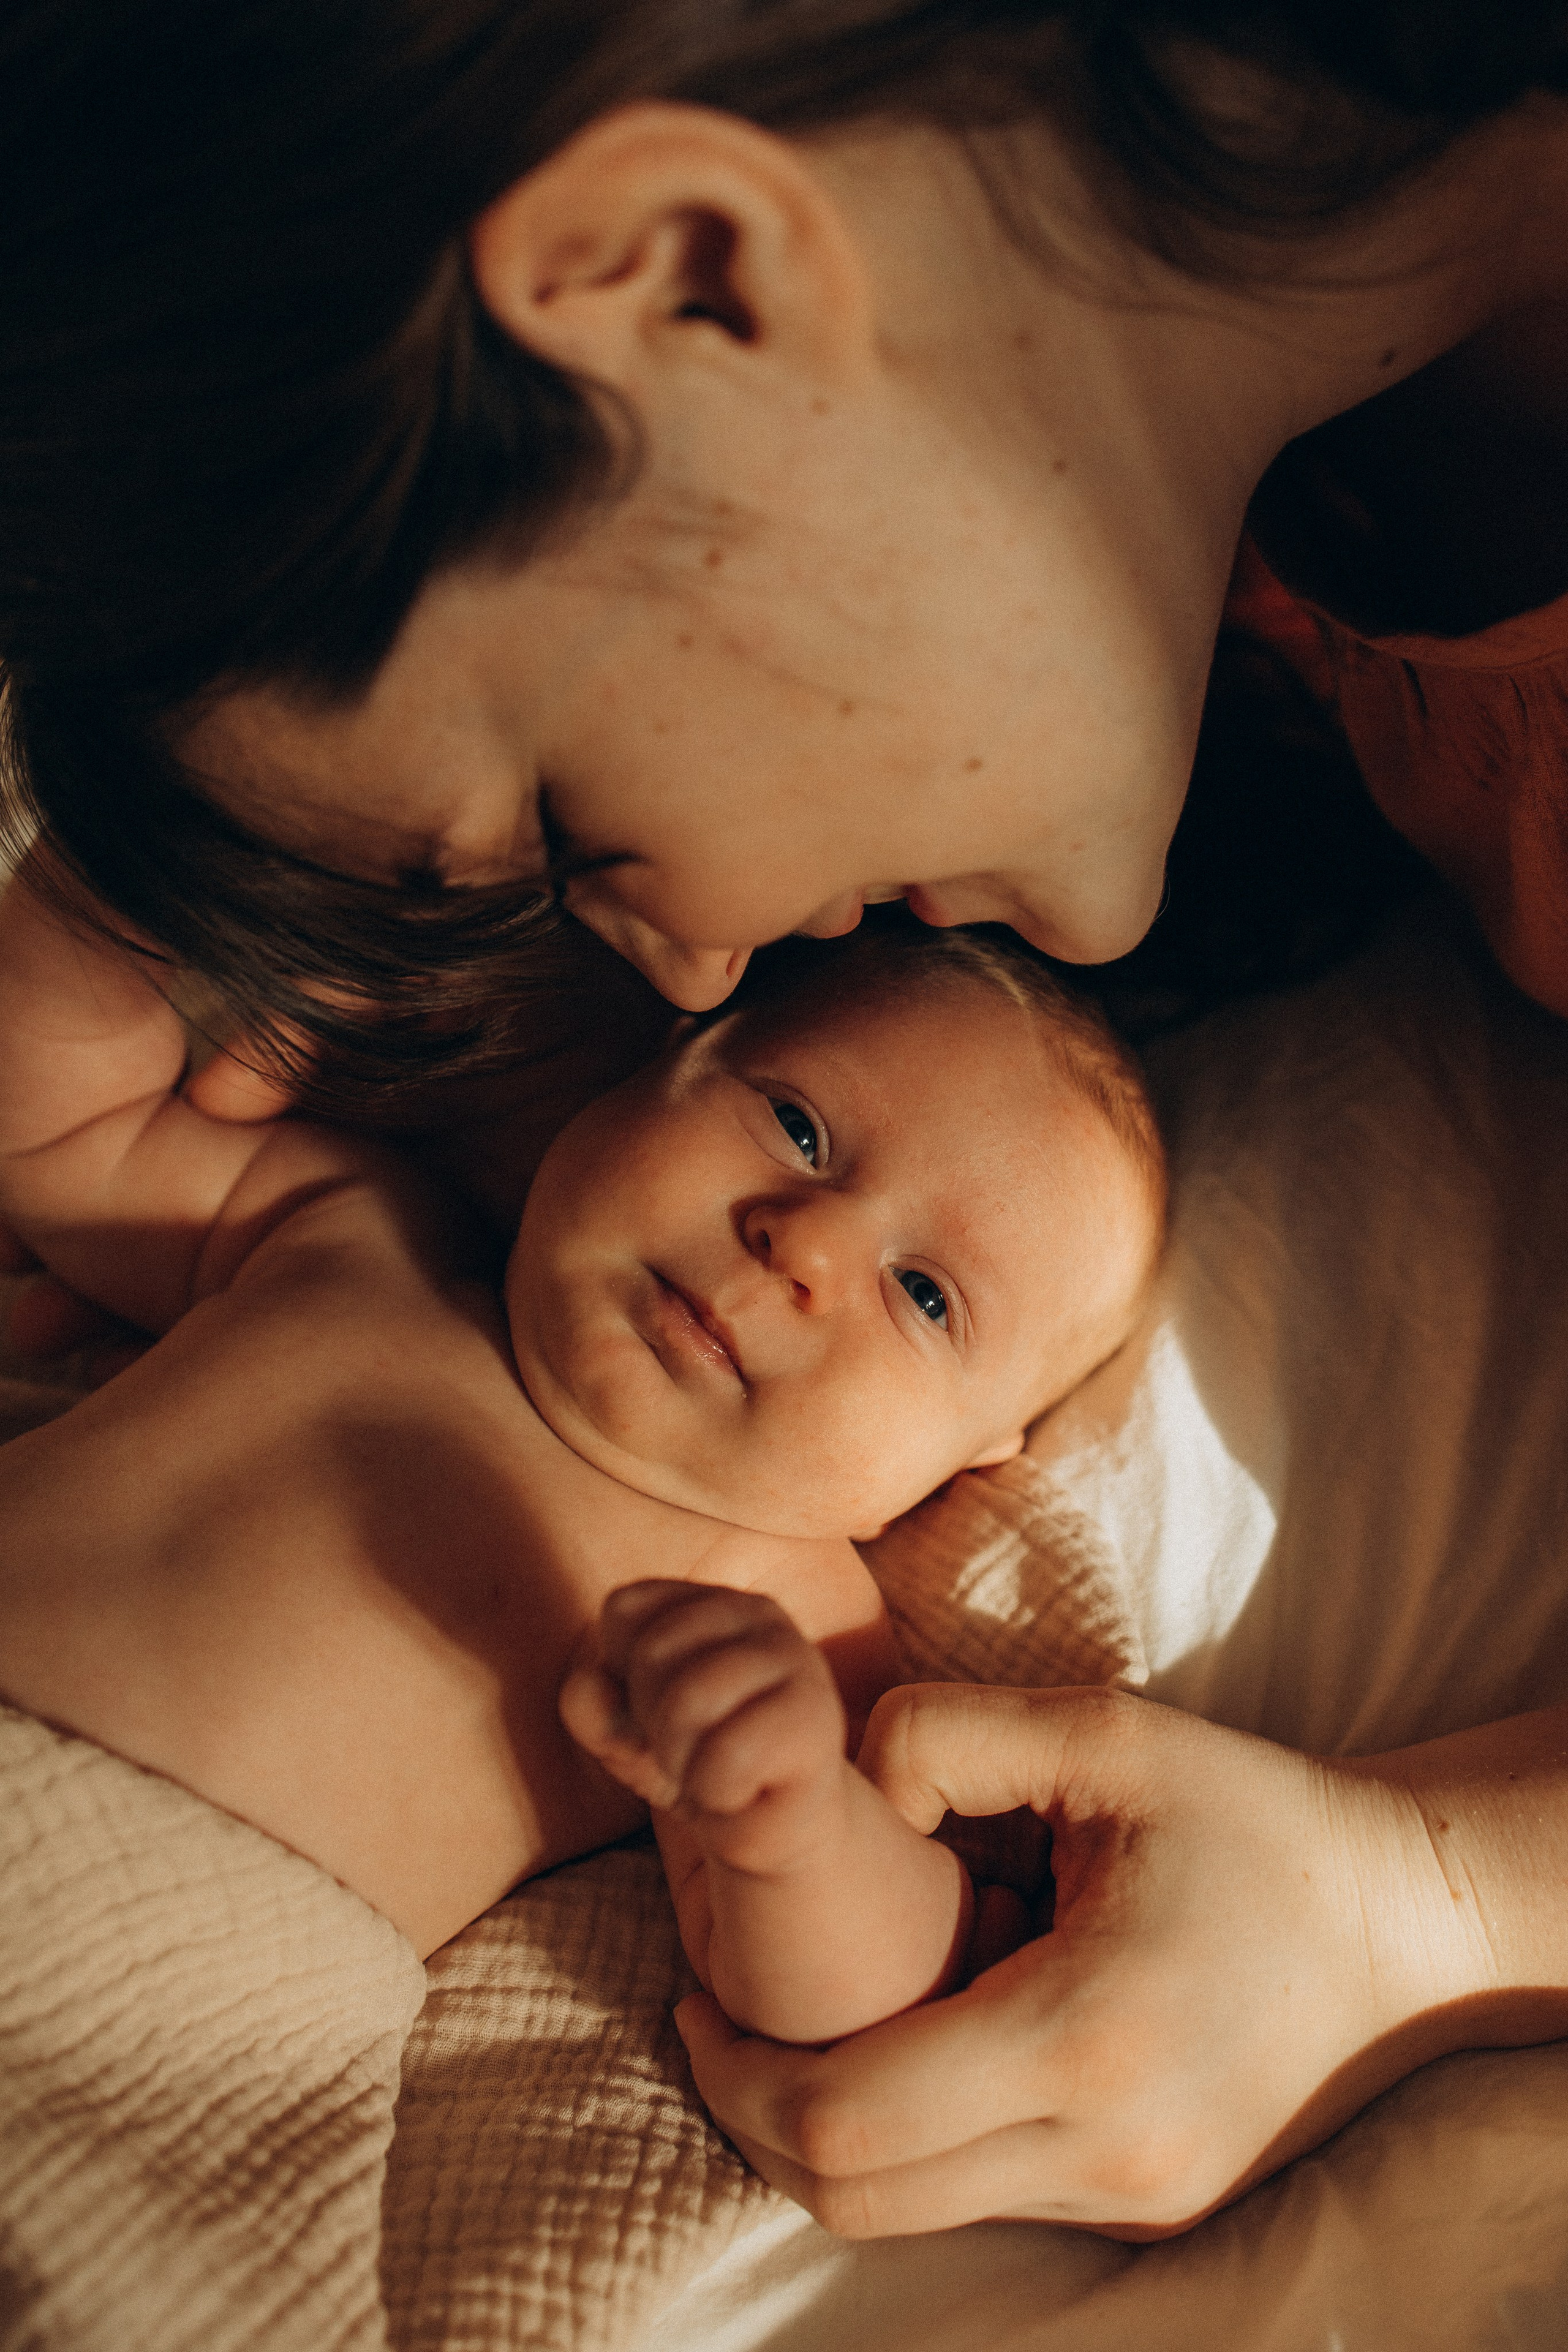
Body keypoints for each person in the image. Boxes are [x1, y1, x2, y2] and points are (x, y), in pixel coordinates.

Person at [2, 0, 1568, 2237]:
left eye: (571, 829)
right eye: (794, 1124)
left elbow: (862, 1930)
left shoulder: (795, 1608)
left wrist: (1437, 1898)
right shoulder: (1244, 528)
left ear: (684, 277)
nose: (683, 964)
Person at [0, 872, 1160, 1992]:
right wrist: (110, 891)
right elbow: (64, 1143)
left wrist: (797, 1824)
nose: (806, 1244)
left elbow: (882, 1981)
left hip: (153, 1958)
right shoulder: (353, 1228)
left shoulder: (775, 1608)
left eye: (926, 1297)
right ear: (655, 1069)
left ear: (971, 1457)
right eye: (797, 1127)